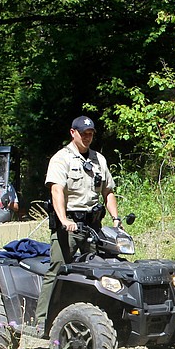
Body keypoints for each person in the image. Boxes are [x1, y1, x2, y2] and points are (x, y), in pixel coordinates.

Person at [34, 115, 121, 333]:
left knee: (100, 271)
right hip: (69, 226)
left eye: (90, 134)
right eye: (84, 134)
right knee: (57, 268)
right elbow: (56, 191)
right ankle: (41, 320)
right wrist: (64, 220)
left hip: (93, 227)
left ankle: (99, 321)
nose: (88, 138)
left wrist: (116, 219)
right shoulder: (61, 159)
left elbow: (108, 191)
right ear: (73, 133)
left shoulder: (99, 160)